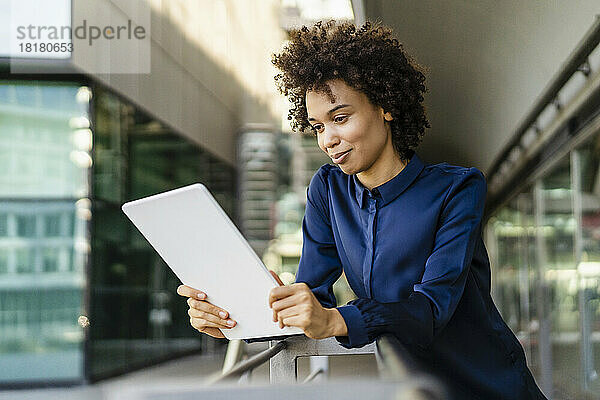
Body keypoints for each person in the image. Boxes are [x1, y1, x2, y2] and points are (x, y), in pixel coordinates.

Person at [177, 20, 547, 399]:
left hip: (489, 386)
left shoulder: (458, 188)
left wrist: (335, 318)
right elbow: (314, 295)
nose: (328, 141)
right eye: (317, 126)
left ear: (386, 106)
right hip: (413, 386)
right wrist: (235, 317)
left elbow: (430, 309)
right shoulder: (327, 189)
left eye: (340, 118)